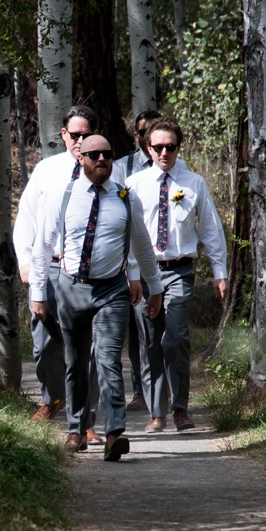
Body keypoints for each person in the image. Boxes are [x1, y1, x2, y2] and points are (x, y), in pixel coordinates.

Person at [31, 134, 164, 460]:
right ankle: (76, 430)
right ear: (81, 158)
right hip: (71, 287)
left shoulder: (125, 197)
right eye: (94, 155)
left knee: (108, 361)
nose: (101, 159)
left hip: (112, 291)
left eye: (106, 154)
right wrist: (38, 293)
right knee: (75, 363)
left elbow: (143, 246)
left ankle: (115, 433)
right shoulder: (61, 196)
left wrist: (155, 287)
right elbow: (43, 247)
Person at [126, 117, 229, 433]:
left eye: (170, 147)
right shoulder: (134, 185)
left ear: (178, 147)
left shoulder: (193, 183)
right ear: (148, 147)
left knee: (175, 338)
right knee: (151, 340)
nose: (164, 153)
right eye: (157, 147)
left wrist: (219, 272)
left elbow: (210, 229)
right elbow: (126, 233)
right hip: (144, 272)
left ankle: (180, 409)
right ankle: (156, 413)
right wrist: (130, 274)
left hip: (179, 271)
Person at [13, 105, 103, 434]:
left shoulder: (106, 169)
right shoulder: (47, 171)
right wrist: (25, 262)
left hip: (86, 272)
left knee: (86, 346)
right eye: (74, 134)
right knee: (45, 345)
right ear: (64, 134)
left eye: (85, 134)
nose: (79, 141)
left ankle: (86, 419)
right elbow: (26, 220)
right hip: (48, 267)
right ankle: (53, 399)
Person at [113, 108, 161, 410]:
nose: (150, 138)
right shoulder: (121, 167)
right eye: (145, 132)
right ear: (137, 136)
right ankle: (140, 393)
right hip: (128, 259)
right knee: (134, 330)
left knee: (157, 330)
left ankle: (158, 388)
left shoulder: (171, 163)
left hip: (161, 256)